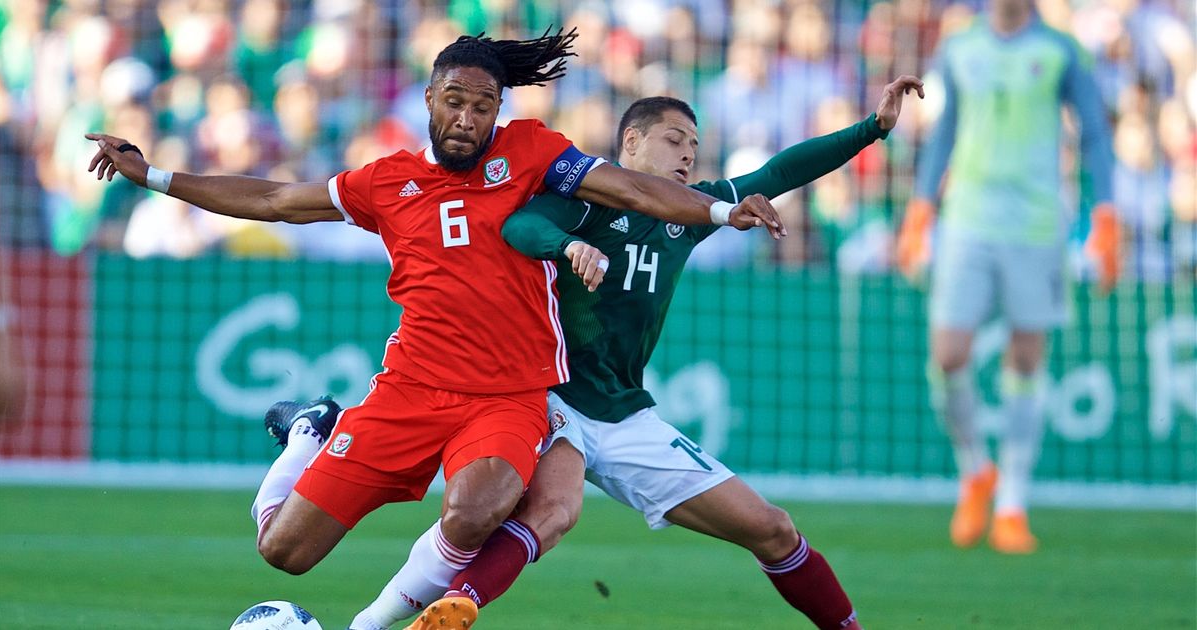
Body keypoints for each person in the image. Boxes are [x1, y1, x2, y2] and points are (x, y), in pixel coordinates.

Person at [84, 29, 785, 630]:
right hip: (411, 389)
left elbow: (633, 187)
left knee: (479, 505)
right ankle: (311, 432)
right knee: (284, 552)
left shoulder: (534, 152)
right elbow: (275, 198)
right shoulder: (384, 182)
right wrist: (156, 177)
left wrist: (719, 213)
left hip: (508, 394)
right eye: (455, 102)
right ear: (429, 99)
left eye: (484, 107)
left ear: (498, 112)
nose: (467, 119)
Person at [344, 75, 925, 630]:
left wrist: (872, 127)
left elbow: (778, 171)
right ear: (631, 141)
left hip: (625, 414)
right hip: (551, 396)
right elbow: (519, 227)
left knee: (772, 528)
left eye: (694, 146)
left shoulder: (690, 213)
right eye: (674, 140)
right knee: (553, 511)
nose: (687, 155)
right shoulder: (584, 195)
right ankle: (451, 608)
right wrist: (570, 246)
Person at [894, 0, 1119, 554]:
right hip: (968, 220)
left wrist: (1108, 216)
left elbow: (1094, 132)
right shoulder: (961, 46)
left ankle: (1013, 502)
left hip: (1038, 225)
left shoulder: (1061, 50)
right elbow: (944, 132)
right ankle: (975, 470)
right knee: (948, 353)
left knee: (1026, 356)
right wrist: (920, 209)